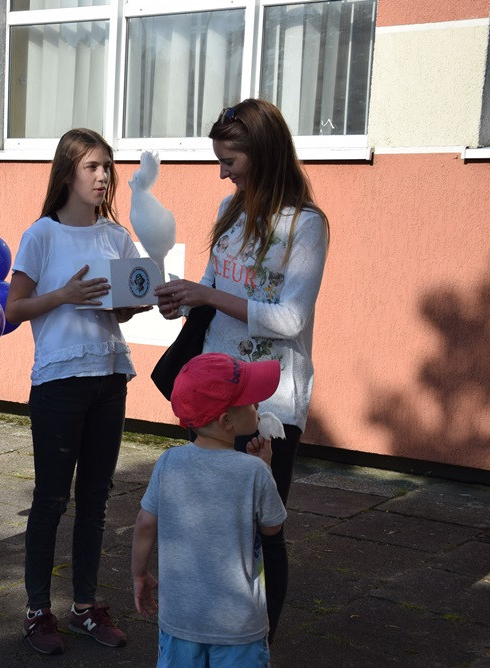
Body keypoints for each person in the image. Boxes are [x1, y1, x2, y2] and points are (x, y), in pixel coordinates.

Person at [153, 98, 329, 642]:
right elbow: (213, 288)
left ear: (265, 154)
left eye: (229, 161)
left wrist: (208, 294)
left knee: (260, 531)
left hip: (268, 402)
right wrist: (182, 300)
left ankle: (257, 644)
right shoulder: (230, 209)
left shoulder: (305, 225)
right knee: (208, 528)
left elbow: (291, 318)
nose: (222, 173)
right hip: (213, 392)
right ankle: (207, 634)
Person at [5, 128, 149, 655]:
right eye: (92, 166)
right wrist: (63, 295)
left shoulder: (117, 236)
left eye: (108, 166)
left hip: (109, 377)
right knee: (50, 500)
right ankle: (37, 613)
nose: (103, 175)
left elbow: (125, 308)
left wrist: (132, 303)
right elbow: (12, 310)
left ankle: (85, 607)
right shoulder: (41, 234)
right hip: (59, 383)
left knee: (95, 501)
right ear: (68, 173)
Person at [131, 353, 288, 667]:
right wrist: (266, 468)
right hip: (238, 627)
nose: (258, 406)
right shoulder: (254, 471)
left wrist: (139, 574)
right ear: (227, 421)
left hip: (180, 621)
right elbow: (272, 528)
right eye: (251, 403)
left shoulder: (168, 462)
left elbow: (145, 524)